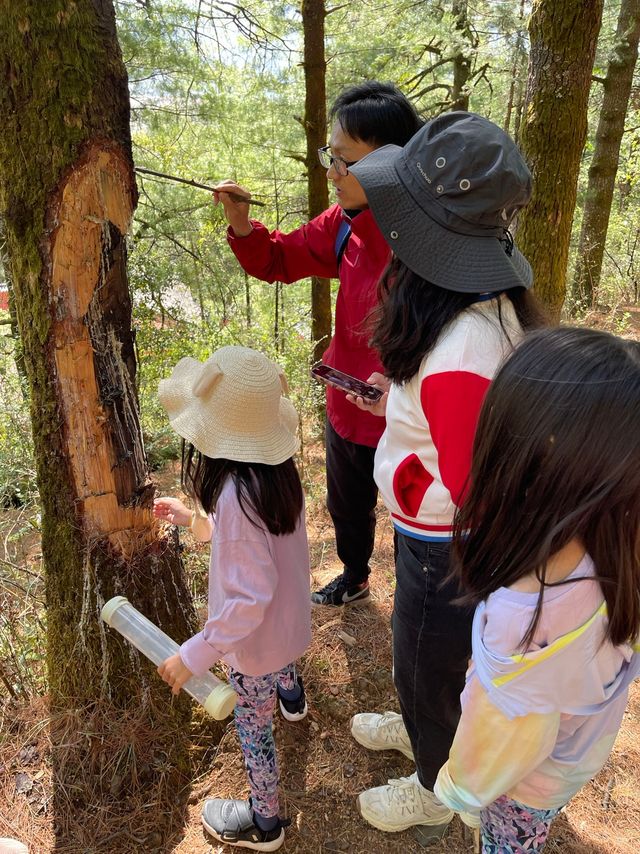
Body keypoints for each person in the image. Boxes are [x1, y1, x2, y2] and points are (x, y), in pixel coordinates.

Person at [341, 112, 546, 833]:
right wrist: (400, 403)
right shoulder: (474, 315)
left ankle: (435, 781)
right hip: (429, 533)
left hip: (441, 546)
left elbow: (474, 488)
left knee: (427, 661)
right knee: (423, 655)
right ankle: (424, 725)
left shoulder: (462, 347)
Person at [214, 81, 424, 607]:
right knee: (347, 504)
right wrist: (241, 224)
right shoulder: (344, 225)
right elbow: (279, 259)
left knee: (412, 513)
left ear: (389, 162)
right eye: (330, 155)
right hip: (345, 405)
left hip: (409, 415)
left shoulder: (430, 241)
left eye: (344, 160)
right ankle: (354, 576)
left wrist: (402, 383)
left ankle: (413, 598)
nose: (331, 172)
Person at [433, 327, 640, 853]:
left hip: (525, 784)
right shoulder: (622, 544)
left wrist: (460, 791)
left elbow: (498, 743)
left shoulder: (521, 617)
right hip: (577, 753)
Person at [153, 345, 311, 852]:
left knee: (253, 728)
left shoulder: (235, 495)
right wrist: (194, 521)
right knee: (281, 675)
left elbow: (245, 599)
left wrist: (193, 655)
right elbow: (254, 547)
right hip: (289, 630)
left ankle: (265, 822)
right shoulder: (277, 476)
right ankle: (294, 696)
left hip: (256, 648)